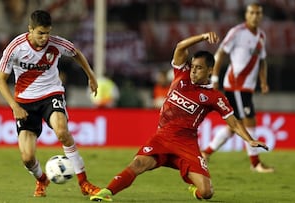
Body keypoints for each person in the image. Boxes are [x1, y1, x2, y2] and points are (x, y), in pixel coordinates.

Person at [89, 32, 269, 202]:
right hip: (162, 138)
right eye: (193, 66)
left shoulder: (215, 97)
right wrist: (203, 37)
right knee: (138, 164)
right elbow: (180, 47)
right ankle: (107, 192)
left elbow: (234, 122)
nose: (193, 71)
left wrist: (250, 139)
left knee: (207, 193)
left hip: (186, 145)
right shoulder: (181, 74)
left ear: (210, 71)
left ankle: (193, 189)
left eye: (199, 68)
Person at [0, 10, 100, 197]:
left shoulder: (57, 44)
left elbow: (77, 54)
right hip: (25, 103)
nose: (45, 38)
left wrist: (91, 76)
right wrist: (14, 106)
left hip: (51, 94)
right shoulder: (15, 47)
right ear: (30, 29)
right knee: (27, 158)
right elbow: (0, 80)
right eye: (40, 33)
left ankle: (84, 182)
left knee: (62, 131)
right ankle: (42, 179)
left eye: (47, 33)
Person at [201, 3, 274, 173]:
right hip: (235, 85)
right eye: (252, 13)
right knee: (249, 122)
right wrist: (214, 76)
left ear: (261, 16)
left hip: (247, 87)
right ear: (246, 15)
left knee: (234, 126)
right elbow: (220, 53)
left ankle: (206, 152)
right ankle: (255, 163)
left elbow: (262, 61)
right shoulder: (237, 32)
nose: (255, 16)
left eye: (258, 13)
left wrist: (263, 82)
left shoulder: (261, 36)